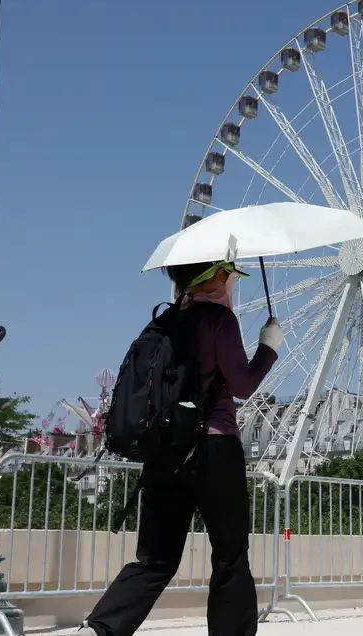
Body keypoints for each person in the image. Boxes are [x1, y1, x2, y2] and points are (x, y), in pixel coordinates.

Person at [79, 260, 283, 636]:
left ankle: (100, 629)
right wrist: (268, 348)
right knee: (230, 555)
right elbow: (243, 385)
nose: (232, 281)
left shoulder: (163, 321)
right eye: (230, 274)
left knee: (154, 559)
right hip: (214, 447)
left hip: (165, 450)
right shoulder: (219, 321)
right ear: (217, 276)